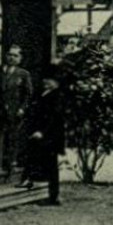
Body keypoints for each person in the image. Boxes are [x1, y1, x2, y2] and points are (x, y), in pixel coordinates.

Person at [20, 66, 67, 205]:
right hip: (40, 134)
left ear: (57, 82)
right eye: (45, 79)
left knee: (52, 166)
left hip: (50, 136)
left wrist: (42, 132)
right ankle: (35, 185)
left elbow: (53, 118)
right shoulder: (42, 93)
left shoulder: (58, 96)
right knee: (39, 161)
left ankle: (53, 196)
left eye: (50, 80)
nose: (46, 82)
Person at [0, 46, 33, 175]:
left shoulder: (23, 74)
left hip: (14, 110)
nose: (12, 58)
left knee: (13, 137)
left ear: (20, 59)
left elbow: (28, 95)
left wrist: (22, 108)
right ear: (5, 56)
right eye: (10, 55)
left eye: (15, 56)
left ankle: (11, 163)